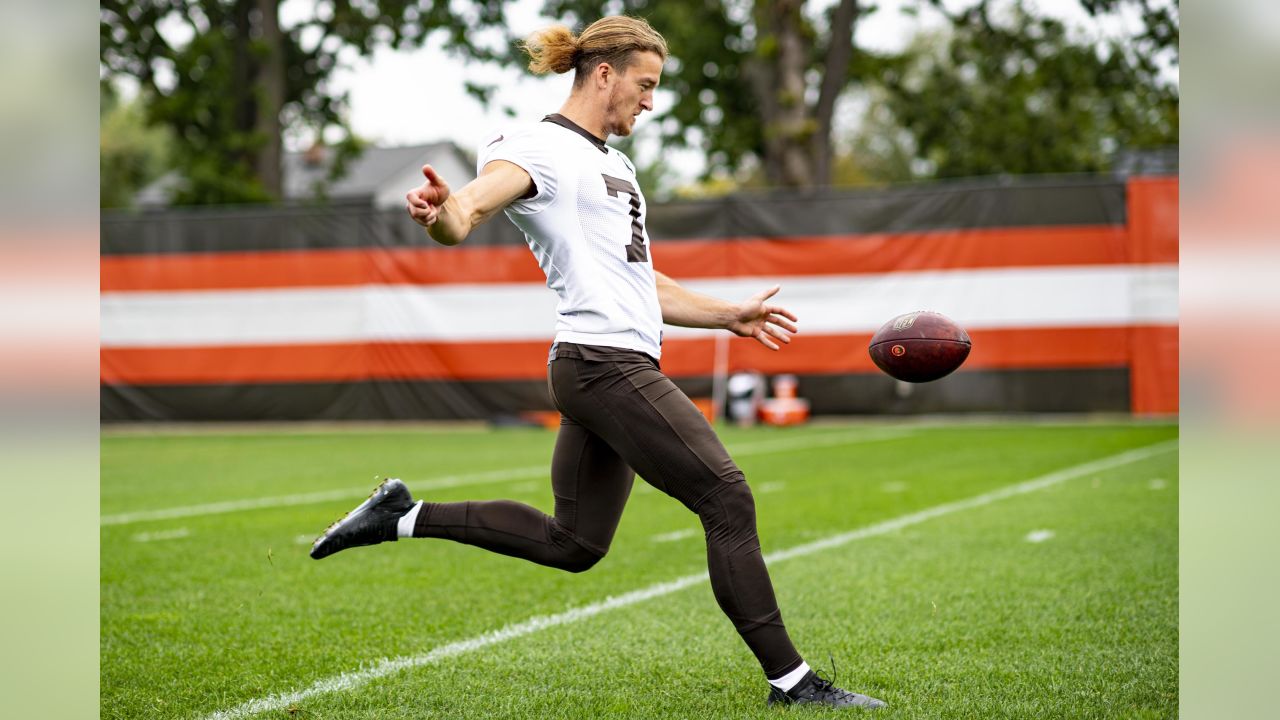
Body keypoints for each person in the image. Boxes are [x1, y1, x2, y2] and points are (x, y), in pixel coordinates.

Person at [309, 15, 885, 710]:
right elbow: (469, 209)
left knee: (574, 542)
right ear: (604, 73)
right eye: (644, 85)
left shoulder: (616, 165)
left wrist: (727, 314)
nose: (650, 100)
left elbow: (644, 281)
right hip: (604, 364)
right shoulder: (539, 148)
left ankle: (402, 515)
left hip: (605, 364)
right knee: (726, 498)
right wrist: (442, 212)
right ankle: (794, 684)